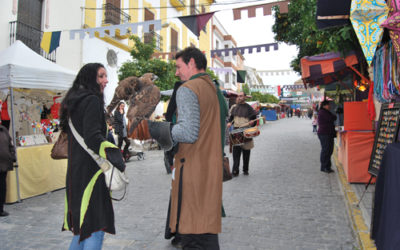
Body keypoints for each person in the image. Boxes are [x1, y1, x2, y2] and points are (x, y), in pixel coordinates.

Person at [150, 47, 227, 249]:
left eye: (178, 66)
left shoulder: (188, 88)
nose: (176, 72)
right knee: (207, 236)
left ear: (191, 63)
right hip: (210, 168)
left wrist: (157, 129)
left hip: (193, 170)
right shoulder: (212, 87)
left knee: (193, 237)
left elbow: (188, 132)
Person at [59, 63, 126, 249]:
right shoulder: (92, 101)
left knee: (83, 230)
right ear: (91, 79)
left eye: (105, 76)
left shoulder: (73, 102)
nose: (106, 80)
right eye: (101, 76)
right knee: (95, 227)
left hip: (76, 174)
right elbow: (92, 137)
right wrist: (115, 155)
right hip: (92, 175)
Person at [227, 92, 258, 176]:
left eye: (241, 96)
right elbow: (231, 118)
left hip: (246, 131)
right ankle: (235, 170)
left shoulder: (249, 108)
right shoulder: (234, 107)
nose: (239, 97)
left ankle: (245, 169)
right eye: (238, 96)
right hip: (236, 131)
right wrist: (230, 123)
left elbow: (254, 122)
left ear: (245, 97)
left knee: (246, 151)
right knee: (236, 152)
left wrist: (252, 123)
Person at [317, 100, 337, 173]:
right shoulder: (323, 112)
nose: (330, 106)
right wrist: (333, 116)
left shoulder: (326, 112)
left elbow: (333, 117)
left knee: (329, 150)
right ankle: (324, 166)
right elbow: (332, 118)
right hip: (324, 134)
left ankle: (327, 166)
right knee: (326, 150)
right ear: (324, 106)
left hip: (328, 133)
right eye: (328, 105)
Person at [0, 124, 15, 217]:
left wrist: (12, 155)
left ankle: (0, 209)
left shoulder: (3, 130)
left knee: (2, 187)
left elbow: (11, 144)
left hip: (4, 164)